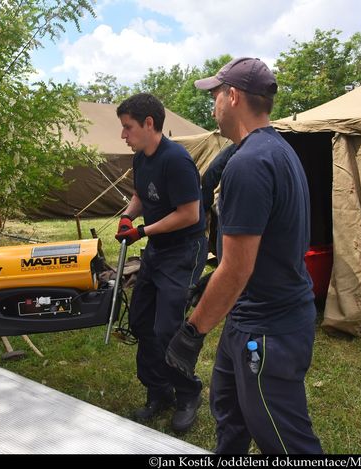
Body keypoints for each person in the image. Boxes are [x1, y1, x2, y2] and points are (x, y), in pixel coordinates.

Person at [165, 58, 323, 454]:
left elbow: (237, 269)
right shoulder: (277, 149)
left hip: (270, 328)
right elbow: (261, 247)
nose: (212, 106)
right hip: (248, 317)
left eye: (215, 95)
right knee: (229, 412)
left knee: (282, 436)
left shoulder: (249, 165)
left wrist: (192, 332)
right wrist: (211, 285)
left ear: (233, 96)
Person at [115, 93, 208, 433]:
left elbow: (189, 214)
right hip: (157, 248)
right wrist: (128, 217)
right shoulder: (141, 158)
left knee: (167, 328)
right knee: (141, 322)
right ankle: (159, 392)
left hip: (185, 249)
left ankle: (188, 393)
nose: (123, 135)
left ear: (149, 124)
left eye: (128, 128)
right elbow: (141, 195)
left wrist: (141, 231)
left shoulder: (176, 160)